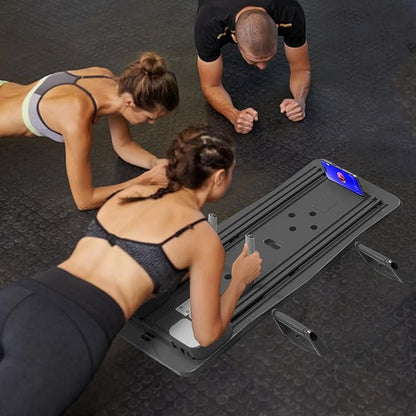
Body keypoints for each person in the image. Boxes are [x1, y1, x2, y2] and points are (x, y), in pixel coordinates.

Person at [0, 125, 262, 416]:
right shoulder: (202, 238)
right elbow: (207, 333)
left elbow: (134, 257)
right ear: (218, 177)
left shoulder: (133, 192)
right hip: (71, 330)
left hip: (22, 297)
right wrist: (239, 279)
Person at [0, 52, 179, 210]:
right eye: (150, 117)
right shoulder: (75, 118)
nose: (153, 123)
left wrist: (155, 164)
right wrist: (146, 180)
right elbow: (84, 200)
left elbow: (123, 145)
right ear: (130, 104)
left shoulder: (110, 81)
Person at [194, 0, 311, 134]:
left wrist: (300, 100)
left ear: (277, 27)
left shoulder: (289, 11)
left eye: (268, 59)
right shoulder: (208, 22)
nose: (262, 67)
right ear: (234, 37)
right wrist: (233, 114)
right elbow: (211, 85)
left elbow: (301, 69)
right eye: (254, 61)